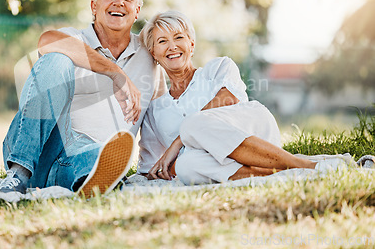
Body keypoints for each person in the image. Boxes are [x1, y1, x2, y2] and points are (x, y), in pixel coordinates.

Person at [0, 0, 165, 196]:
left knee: (98, 155)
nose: (118, 2)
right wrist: (115, 72)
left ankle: (96, 178)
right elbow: (47, 40)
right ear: (94, 6)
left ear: (137, 11)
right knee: (56, 59)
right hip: (43, 152)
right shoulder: (74, 39)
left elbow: (160, 115)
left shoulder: (149, 56)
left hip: (79, 164)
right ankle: (18, 172)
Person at [137, 10, 349, 185]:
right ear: (153, 53)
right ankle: (283, 172)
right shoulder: (155, 110)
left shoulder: (218, 67)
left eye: (179, 37)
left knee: (192, 124)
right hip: (213, 162)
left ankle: (304, 165)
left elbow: (227, 100)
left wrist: (178, 143)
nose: (172, 46)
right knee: (185, 167)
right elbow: (153, 166)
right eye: (162, 41)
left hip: (255, 134)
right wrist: (174, 163)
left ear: (191, 44)